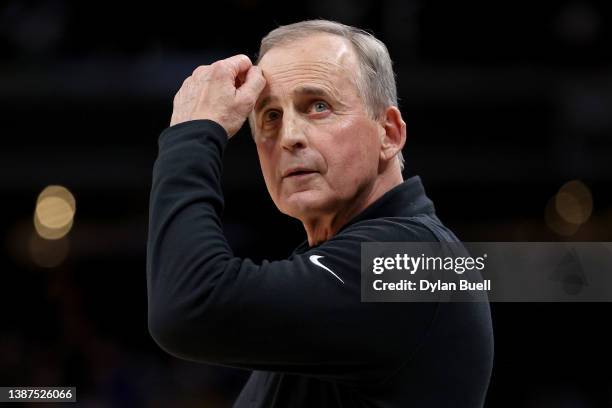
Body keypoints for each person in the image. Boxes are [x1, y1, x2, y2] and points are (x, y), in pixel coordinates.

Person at [147, 20, 493, 407]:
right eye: (271, 116)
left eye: (318, 106)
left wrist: (193, 135)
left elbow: (191, 306)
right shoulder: (337, 274)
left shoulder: (415, 258)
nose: (289, 136)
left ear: (389, 133)